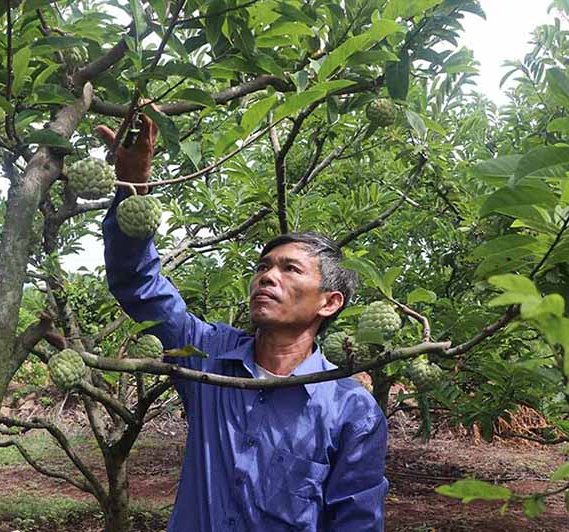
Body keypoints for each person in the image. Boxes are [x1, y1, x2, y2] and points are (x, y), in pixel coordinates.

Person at [98, 112, 388, 532]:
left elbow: (356, 524)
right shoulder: (205, 355)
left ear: (329, 302)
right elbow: (137, 284)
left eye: (291, 270)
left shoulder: (351, 411)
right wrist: (132, 191)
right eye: (264, 267)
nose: (268, 276)